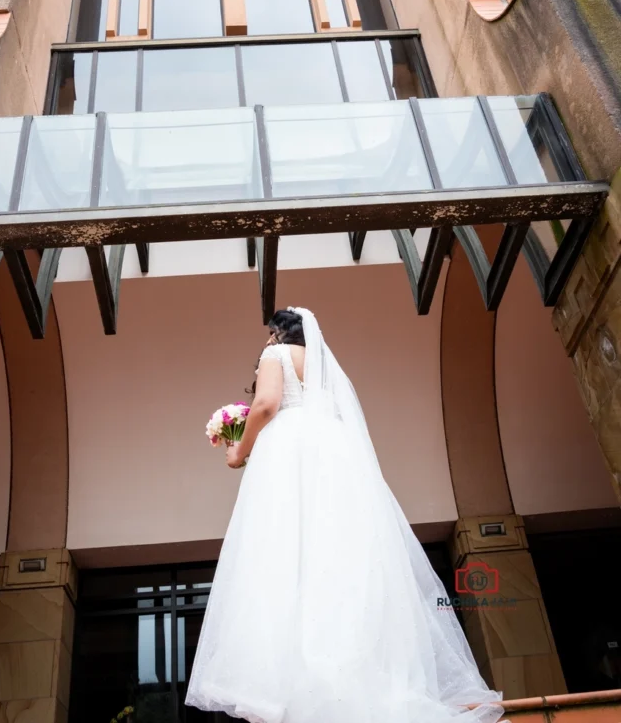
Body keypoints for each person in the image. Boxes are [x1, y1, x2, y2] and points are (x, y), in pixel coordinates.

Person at [185, 306, 505, 723]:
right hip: (332, 461)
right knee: (332, 558)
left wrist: (238, 451)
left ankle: (294, 680)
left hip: (288, 457)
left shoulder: (275, 356)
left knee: (282, 554)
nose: (266, 339)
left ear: (280, 333)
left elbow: (265, 405)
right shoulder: (322, 372)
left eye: (269, 332)